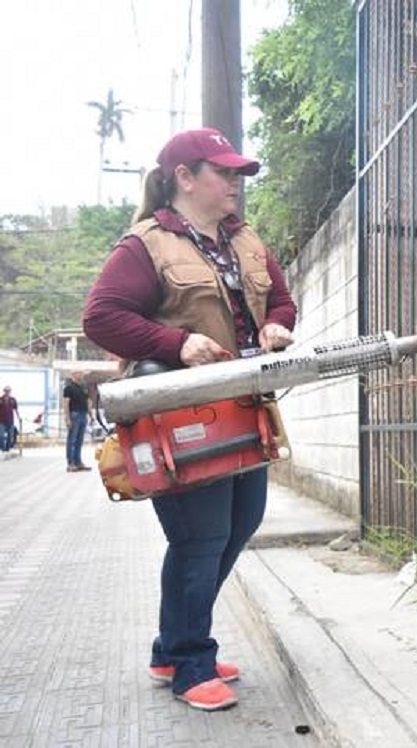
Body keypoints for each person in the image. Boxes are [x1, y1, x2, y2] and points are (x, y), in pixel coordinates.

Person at [82, 128, 297, 712]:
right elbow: (101, 317)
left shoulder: (243, 239)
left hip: (244, 408)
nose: (234, 183)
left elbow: (281, 298)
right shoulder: (145, 245)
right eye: (222, 172)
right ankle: (189, 663)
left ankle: (170, 644)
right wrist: (176, 343)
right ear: (184, 177)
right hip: (179, 422)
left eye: (237, 173)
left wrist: (278, 324)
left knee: (240, 523)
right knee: (199, 538)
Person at [62, 372, 92, 471]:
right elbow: (66, 403)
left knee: (79, 441)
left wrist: (91, 415)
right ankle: (70, 463)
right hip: (74, 415)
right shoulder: (68, 388)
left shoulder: (83, 388)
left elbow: (88, 401)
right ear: (73, 375)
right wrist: (67, 418)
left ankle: (78, 462)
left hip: (83, 414)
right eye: (78, 374)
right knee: (72, 440)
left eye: (81, 374)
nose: (81, 375)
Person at [0, 386, 18, 455]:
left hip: (10, 421)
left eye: (8, 391)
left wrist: (19, 417)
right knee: (1, 436)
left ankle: (8, 449)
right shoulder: (0, 399)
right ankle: (2, 449)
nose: (7, 392)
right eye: (6, 391)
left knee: (10, 436)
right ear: (4, 391)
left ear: (10, 391)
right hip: (1, 421)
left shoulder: (13, 400)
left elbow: (16, 409)